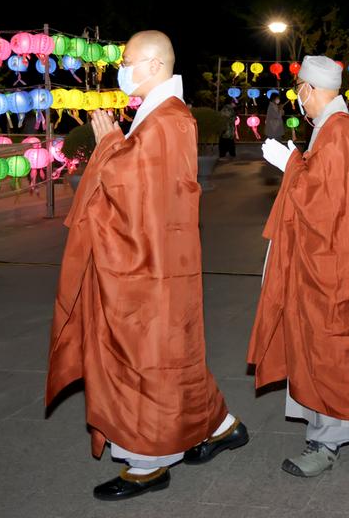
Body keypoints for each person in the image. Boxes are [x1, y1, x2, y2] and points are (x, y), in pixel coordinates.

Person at [46, 30, 246, 502]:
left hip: (149, 267)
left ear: (155, 65)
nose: (121, 67)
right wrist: (116, 146)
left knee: (143, 358)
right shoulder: (161, 116)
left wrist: (110, 146)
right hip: (157, 260)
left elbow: (137, 189)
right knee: (173, 355)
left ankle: (147, 464)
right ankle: (220, 426)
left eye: (127, 59)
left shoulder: (168, 121)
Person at [250, 55, 349, 477]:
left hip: (332, 260)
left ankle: (327, 442)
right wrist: (299, 163)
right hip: (343, 253)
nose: (298, 99)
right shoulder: (335, 129)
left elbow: (322, 201)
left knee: (330, 345)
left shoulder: (337, 132)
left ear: (310, 88)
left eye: (300, 91)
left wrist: (290, 166)